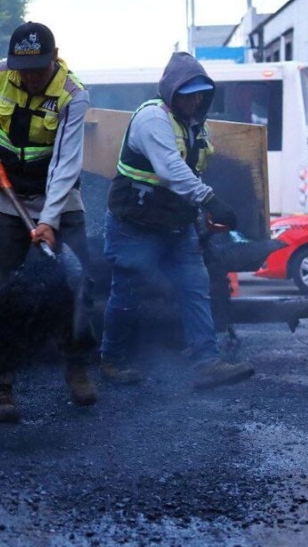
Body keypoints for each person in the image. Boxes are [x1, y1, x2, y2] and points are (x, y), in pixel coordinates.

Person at [0, 22, 97, 422]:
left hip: (60, 198)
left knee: (75, 281)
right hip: (4, 197)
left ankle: (78, 366)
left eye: (37, 68)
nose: (29, 76)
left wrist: (49, 219)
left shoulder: (73, 94)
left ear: (54, 57)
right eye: (23, 68)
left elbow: (67, 165)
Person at [99, 52, 255, 390]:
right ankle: (111, 360)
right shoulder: (152, 119)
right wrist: (210, 200)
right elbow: (170, 169)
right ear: (172, 93)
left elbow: (194, 170)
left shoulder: (197, 127)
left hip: (177, 227)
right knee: (126, 293)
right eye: (188, 93)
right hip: (134, 226)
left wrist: (201, 217)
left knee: (195, 287)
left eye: (200, 93)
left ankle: (206, 363)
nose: (196, 99)